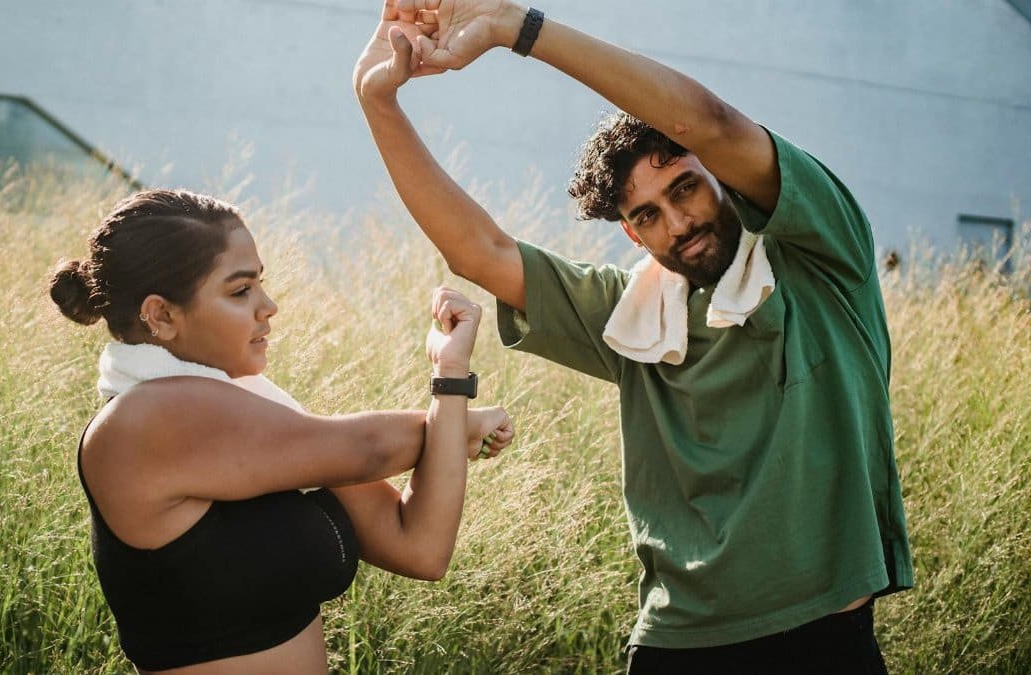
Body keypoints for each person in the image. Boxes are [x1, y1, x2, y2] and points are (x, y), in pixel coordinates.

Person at [354, 1, 913, 672]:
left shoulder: (823, 260)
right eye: (648, 214)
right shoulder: (630, 313)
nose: (677, 223)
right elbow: (479, 251)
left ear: (722, 175)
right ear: (632, 234)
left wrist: (513, 26)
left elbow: (709, 121)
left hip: (822, 641)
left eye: (687, 189)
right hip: (676, 646)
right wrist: (378, 102)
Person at [48, 188, 514, 673]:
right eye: (240, 290)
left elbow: (420, 547)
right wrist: (453, 422)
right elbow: (367, 448)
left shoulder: (260, 417)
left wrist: (450, 373)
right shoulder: (145, 420)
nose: (268, 306)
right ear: (162, 315)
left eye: (260, 285)